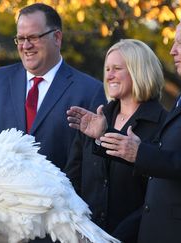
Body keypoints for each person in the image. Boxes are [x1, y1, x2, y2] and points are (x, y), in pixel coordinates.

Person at [67, 11, 181, 243]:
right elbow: (161, 154)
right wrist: (104, 135)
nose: (172, 50)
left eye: (180, 43)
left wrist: (140, 153)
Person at [0, 3, 106, 172]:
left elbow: (94, 164)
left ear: (57, 38)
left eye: (33, 38)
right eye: (21, 39)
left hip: (59, 197)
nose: (26, 46)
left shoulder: (89, 90)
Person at [64, 39, 167, 242]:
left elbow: (158, 195)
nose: (109, 75)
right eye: (107, 69)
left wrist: (117, 237)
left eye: (117, 68)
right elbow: (72, 180)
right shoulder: (93, 121)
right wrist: (80, 227)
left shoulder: (164, 124)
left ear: (139, 71)